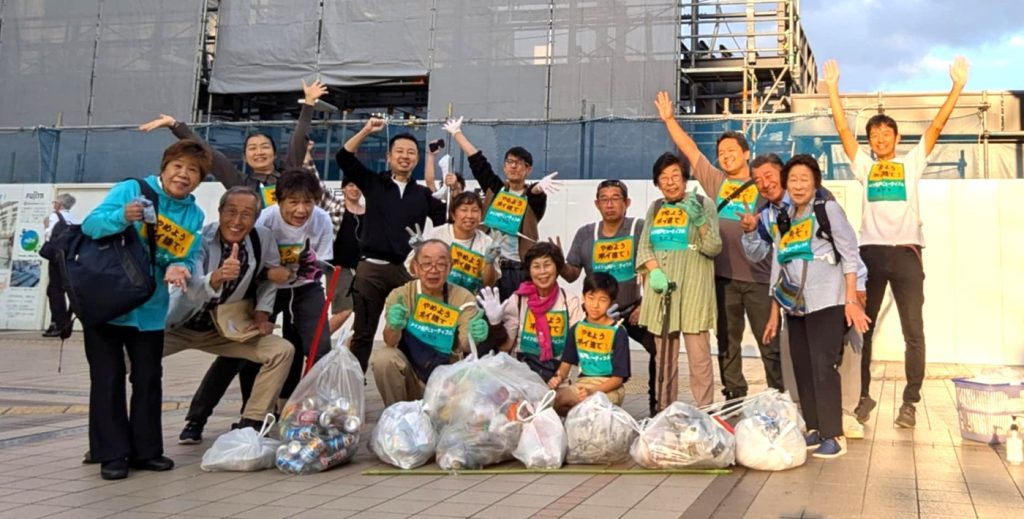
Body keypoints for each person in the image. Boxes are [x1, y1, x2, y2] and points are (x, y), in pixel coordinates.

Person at [823, 57, 969, 427]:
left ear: (897, 138)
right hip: (869, 255)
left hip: (906, 254)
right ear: (870, 142)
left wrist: (957, 88)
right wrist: (833, 90)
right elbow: (842, 129)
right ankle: (863, 396)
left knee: (913, 331)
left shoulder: (911, 163)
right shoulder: (865, 167)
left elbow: (936, 126)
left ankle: (910, 402)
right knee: (860, 330)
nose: (880, 137)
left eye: (887, 132)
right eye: (874, 134)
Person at [81, 140, 209, 480]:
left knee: (149, 380)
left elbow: (184, 254)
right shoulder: (132, 190)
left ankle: (147, 451)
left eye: (193, 171)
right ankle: (112, 453)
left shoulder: (194, 214)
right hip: (108, 303)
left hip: (150, 308)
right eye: (178, 166)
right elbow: (91, 226)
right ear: (164, 167)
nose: (183, 175)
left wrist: (178, 267)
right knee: (108, 380)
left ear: (199, 179)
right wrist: (122, 216)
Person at [655, 91, 782, 401]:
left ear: (746, 153)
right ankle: (735, 396)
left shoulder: (763, 183)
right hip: (722, 278)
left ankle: (780, 395)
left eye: (731, 151)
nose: (725, 156)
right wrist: (670, 120)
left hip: (759, 279)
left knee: (769, 342)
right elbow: (689, 149)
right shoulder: (715, 181)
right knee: (727, 342)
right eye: (721, 152)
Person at [741, 153, 869, 439]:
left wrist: (853, 296)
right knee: (804, 368)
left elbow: (850, 253)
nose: (765, 183)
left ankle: (835, 430)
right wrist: (774, 313)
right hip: (796, 306)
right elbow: (776, 261)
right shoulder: (778, 216)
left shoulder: (826, 208)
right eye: (758, 179)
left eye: (770, 176)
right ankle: (814, 427)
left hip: (829, 298)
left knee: (827, 366)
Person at [164, 187, 293, 436]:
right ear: (220, 211)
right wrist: (217, 278)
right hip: (180, 324)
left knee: (281, 351)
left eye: (246, 214)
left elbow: (268, 279)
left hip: (224, 329)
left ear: (255, 219)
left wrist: (262, 314)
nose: (237, 221)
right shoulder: (200, 238)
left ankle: (251, 424)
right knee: (122, 358)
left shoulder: (261, 238)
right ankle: (111, 429)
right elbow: (189, 286)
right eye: (231, 212)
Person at [336, 118, 447, 373]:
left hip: (407, 272)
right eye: (400, 151)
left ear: (417, 160)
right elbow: (343, 157)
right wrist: (365, 130)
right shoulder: (374, 183)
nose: (405, 157)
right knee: (363, 333)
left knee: (413, 330)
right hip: (371, 270)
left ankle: (415, 384)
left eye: (411, 153)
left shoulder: (423, 195)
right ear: (389, 156)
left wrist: (448, 186)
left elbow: (447, 220)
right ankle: (353, 387)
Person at [559, 180, 658, 415]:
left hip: (632, 308)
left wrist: (644, 304)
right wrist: (557, 261)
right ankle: (589, 394)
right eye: (604, 199)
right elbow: (572, 274)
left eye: (616, 198)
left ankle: (657, 405)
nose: (610, 204)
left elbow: (651, 265)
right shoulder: (585, 234)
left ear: (627, 203)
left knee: (659, 346)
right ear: (597, 203)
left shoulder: (638, 228)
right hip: (598, 314)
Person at [443, 116, 562, 300]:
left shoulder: (531, 199)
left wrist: (539, 187)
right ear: (504, 167)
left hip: (517, 269)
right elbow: (478, 162)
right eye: (509, 162)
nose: (513, 166)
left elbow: (535, 194)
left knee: (513, 320)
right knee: (482, 318)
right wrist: (457, 133)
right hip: (487, 265)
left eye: (519, 163)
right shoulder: (495, 189)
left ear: (528, 169)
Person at [637, 152, 721, 409]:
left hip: (694, 289)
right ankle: (665, 411)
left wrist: (700, 222)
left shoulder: (703, 204)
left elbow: (714, 246)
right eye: (664, 177)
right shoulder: (656, 208)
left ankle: (705, 409)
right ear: (657, 182)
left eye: (675, 176)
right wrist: (654, 272)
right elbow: (644, 247)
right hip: (662, 292)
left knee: (699, 358)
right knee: (665, 358)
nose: (670, 182)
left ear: (685, 179)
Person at [373, 240, 497, 406]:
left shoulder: (463, 297)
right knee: (384, 358)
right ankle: (396, 413)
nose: (433, 270)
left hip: (447, 382)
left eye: (440, 264)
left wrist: (475, 336)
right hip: (411, 377)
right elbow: (390, 341)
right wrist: (394, 326)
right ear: (415, 267)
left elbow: (466, 345)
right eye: (426, 264)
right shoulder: (401, 295)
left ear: (450, 268)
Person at [499, 242, 585, 384]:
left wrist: (559, 376)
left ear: (557, 268)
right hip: (521, 376)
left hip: (557, 376)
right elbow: (506, 346)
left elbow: (573, 345)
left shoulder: (569, 301)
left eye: (547, 265)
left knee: (567, 401)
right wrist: (495, 324)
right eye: (536, 266)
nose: (542, 272)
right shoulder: (518, 299)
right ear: (529, 271)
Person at [550, 273, 631, 416]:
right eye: (591, 298)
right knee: (555, 400)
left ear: (611, 302)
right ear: (583, 297)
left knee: (592, 405)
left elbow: (618, 379)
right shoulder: (577, 329)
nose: (595, 305)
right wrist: (558, 378)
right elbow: (565, 366)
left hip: (608, 387)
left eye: (603, 300)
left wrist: (592, 392)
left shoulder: (618, 332)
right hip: (583, 383)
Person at [405, 192, 500, 294]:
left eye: (475, 210)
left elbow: (488, 283)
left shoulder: (486, 242)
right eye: (464, 210)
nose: (469, 215)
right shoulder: (437, 234)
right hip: (434, 298)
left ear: (481, 215)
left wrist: (489, 262)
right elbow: (413, 271)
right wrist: (419, 252)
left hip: (468, 301)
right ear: (453, 215)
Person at [329, 178, 364, 334]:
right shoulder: (336, 208)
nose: (354, 189)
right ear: (343, 188)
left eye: (358, 185)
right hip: (339, 267)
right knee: (343, 311)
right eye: (350, 185)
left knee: (365, 313)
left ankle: (351, 351)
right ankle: (313, 347)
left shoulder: (368, 211)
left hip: (363, 268)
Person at [42, 193, 77, 338]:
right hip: (69, 258)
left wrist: (45, 227)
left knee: (54, 290)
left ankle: (58, 323)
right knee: (66, 289)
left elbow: (48, 235)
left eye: (55, 202)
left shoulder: (54, 217)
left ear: (59, 205)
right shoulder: (74, 219)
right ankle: (65, 320)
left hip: (56, 258)